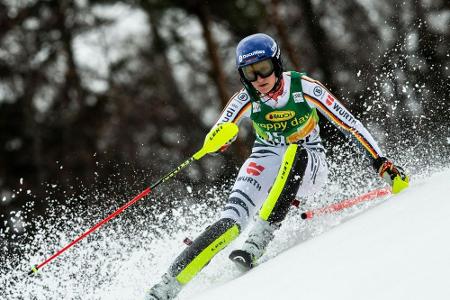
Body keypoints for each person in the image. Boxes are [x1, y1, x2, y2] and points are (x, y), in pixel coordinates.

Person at [145, 33, 409, 299]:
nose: (259, 79)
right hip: (265, 156)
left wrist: (380, 160)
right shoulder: (245, 98)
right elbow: (221, 130)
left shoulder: (304, 88)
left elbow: (349, 124)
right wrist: (219, 139)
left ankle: (258, 239)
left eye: (264, 69)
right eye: (250, 73)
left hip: (309, 162)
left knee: (294, 151)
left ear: (277, 64)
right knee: (230, 221)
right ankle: (166, 287)